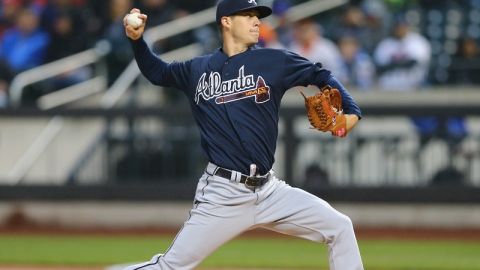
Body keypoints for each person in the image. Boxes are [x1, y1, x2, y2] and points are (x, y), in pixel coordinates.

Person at [122, 0, 363, 269]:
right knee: (170, 266)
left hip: (270, 191)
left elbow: (322, 75)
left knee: (340, 228)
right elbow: (157, 72)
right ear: (226, 21)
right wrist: (137, 40)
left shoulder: (274, 61)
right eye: (248, 15)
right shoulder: (197, 70)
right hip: (223, 194)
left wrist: (352, 113)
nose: (257, 21)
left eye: (257, 16)